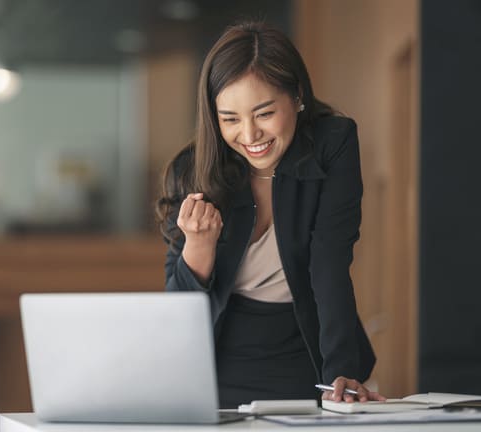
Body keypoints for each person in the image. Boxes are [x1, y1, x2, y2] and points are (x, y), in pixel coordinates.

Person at [156, 22, 386, 408]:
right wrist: (198, 245)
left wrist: (341, 372)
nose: (250, 135)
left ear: (296, 95)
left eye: (264, 113)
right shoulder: (193, 170)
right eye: (229, 119)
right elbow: (177, 315)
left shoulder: (333, 143)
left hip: (308, 359)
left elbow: (330, 261)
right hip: (214, 367)